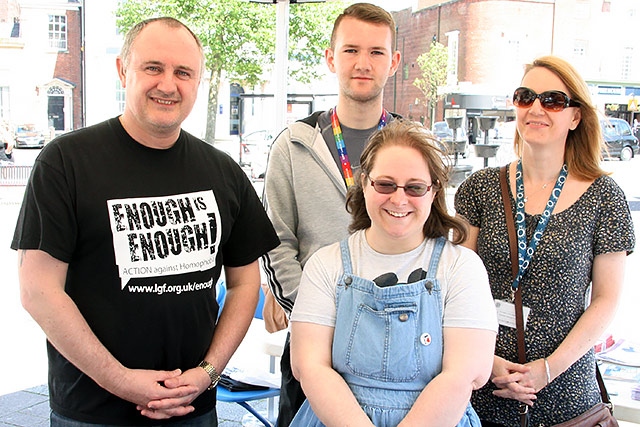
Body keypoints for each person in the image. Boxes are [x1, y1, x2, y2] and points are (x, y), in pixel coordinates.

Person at [11, 17, 279, 426]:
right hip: (92, 412)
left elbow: (245, 284)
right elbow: (38, 290)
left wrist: (207, 373)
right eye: (153, 67)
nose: (168, 85)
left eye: (183, 72)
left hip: (193, 409)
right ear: (123, 70)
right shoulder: (66, 162)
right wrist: (120, 380)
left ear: (198, 81)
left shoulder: (223, 172)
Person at [454, 55, 636, 426]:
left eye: (552, 100)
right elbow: (453, 289)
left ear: (575, 116)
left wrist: (547, 369)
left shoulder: (605, 197)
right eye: (526, 97)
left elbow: (606, 300)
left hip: (567, 398)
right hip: (479, 392)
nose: (536, 108)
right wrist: (486, 362)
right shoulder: (480, 188)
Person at [288, 120, 498, 426]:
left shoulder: (461, 268)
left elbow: (465, 374)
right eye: (385, 184)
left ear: (434, 190)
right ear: (364, 183)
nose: (399, 200)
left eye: (414, 187)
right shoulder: (325, 265)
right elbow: (309, 366)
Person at [261, 3, 401, 425]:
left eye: (377, 52)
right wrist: (313, 313)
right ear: (330, 57)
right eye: (351, 50)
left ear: (393, 62)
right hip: (314, 340)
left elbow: (431, 239)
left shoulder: (414, 147)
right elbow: (275, 241)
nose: (363, 63)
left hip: (396, 339)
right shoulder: (293, 145)